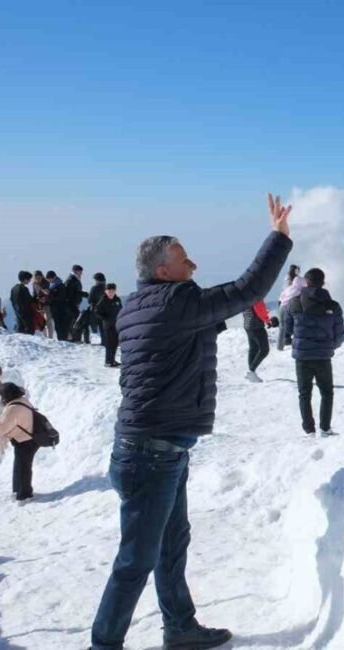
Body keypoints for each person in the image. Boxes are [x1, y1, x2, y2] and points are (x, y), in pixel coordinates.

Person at [90, 193, 293, 650]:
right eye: (184, 259)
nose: (194, 264)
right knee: (136, 560)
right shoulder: (176, 303)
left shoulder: (138, 306)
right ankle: (102, 645)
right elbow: (246, 290)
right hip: (151, 452)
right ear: (163, 271)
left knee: (169, 544)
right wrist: (278, 238)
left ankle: (179, 626)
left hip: (154, 448)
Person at [290, 267, 344, 436]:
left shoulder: (295, 302)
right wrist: (331, 345)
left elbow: (289, 327)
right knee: (326, 392)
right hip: (323, 356)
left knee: (304, 393)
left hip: (302, 356)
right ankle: (325, 428)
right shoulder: (333, 305)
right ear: (323, 282)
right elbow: (339, 332)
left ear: (306, 282)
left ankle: (309, 430)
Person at [0, 382, 38, 501]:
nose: (1, 398)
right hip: (29, 438)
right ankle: (18, 490)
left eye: (2, 396)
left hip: (25, 441)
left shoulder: (13, 408)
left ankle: (24, 494)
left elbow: (1, 429)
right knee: (20, 466)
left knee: (23, 468)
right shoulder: (22, 400)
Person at [243, 300, 274, 382]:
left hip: (247, 324)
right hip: (256, 325)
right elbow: (260, 309)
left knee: (253, 348)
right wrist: (267, 320)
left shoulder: (245, 294)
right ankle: (252, 371)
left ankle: (251, 373)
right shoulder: (256, 295)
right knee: (264, 350)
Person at [277, 264, 304, 351]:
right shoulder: (298, 280)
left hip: (282, 304)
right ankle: (296, 344)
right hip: (292, 305)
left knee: (282, 327)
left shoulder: (286, 280)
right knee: (297, 324)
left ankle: (280, 347)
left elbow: (282, 293)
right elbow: (306, 285)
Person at [95, 284, 123, 368]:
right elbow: (97, 311)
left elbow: (121, 309)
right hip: (107, 325)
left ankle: (112, 360)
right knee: (109, 343)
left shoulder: (117, 300)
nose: (111, 293)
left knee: (115, 343)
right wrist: (105, 318)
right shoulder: (103, 300)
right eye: (109, 292)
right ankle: (108, 361)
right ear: (105, 291)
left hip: (116, 324)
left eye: (112, 291)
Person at [65, 264, 87, 342]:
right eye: (80, 271)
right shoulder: (71, 280)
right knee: (75, 320)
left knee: (75, 320)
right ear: (75, 271)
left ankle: (74, 337)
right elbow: (71, 293)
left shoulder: (75, 279)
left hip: (74, 303)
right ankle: (73, 337)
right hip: (71, 304)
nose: (81, 273)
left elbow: (77, 292)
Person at [46, 271, 69, 340]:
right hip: (56, 308)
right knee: (58, 325)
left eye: (49, 279)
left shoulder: (59, 286)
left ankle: (62, 338)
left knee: (60, 326)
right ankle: (61, 338)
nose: (49, 281)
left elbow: (60, 298)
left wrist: (49, 295)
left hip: (59, 308)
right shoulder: (53, 285)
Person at [87, 272, 108, 340]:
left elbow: (90, 300)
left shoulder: (94, 288)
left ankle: (87, 339)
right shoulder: (107, 288)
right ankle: (105, 340)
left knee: (92, 326)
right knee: (103, 328)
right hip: (106, 310)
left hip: (96, 311)